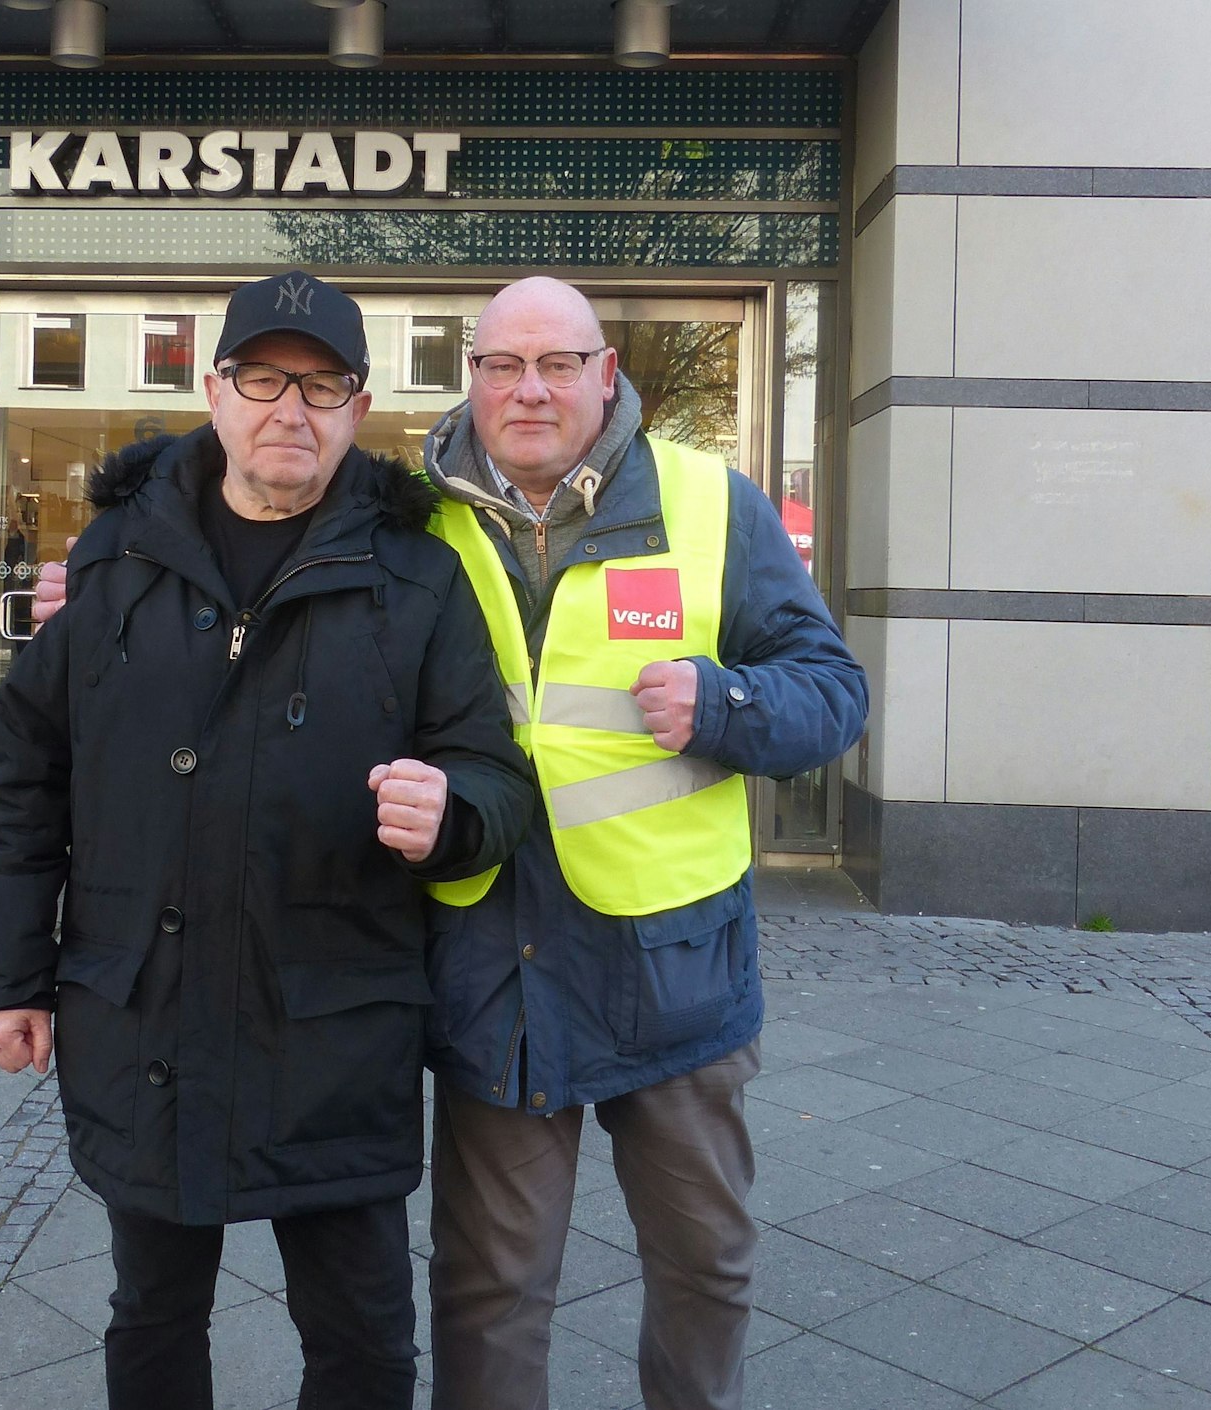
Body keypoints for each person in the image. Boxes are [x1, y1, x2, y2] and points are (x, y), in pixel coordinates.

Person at [0, 270, 534, 1410]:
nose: (291, 410)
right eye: (265, 379)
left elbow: (493, 772)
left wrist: (452, 815)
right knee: (153, 1319)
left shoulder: (416, 577)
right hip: (145, 1013)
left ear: (357, 408)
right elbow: (24, 777)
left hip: (334, 1032)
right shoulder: (116, 561)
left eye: (321, 387)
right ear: (215, 392)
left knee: (364, 1342)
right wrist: (9, 977)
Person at [417, 278, 867, 1410]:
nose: (529, 390)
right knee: (488, 1289)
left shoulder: (711, 504)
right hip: (497, 969)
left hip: (675, 967)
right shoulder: (415, 520)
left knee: (703, 1266)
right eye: (503, 365)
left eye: (557, 364)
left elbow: (833, 693)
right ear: (472, 377)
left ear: (604, 373)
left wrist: (724, 704)